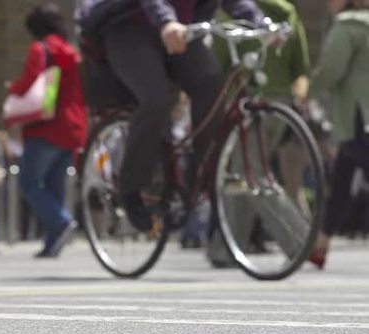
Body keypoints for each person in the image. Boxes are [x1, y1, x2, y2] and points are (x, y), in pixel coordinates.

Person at [75, 0, 265, 233]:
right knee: (157, 101)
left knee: (211, 83)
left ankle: (205, 171)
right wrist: (165, 21)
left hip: (183, 31)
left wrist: (260, 22)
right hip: (130, 31)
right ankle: (131, 188)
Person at [207, 0, 311, 266]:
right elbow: (301, 68)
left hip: (247, 104)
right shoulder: (288, 12)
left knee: (254, 175)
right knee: (244, 172)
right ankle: (227, 248)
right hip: (280, 104)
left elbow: (218, 64)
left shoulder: (234, 11)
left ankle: (302, 243)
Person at [9, 2, 88, 258]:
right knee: (55, 186)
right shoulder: (72, 51)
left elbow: (31, 81)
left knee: (28, 181)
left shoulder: (40, 48)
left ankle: (62, 221)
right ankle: (52, 243)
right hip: (74, 126)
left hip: (47, 126)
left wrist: (13, 89)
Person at [308, 0, 369, 269]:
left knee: (343, 180)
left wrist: (307, 90)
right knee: (343, 177)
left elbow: (331, 70)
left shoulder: (348, 26)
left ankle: (321, 244)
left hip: (359, 113)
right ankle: (321, 245)